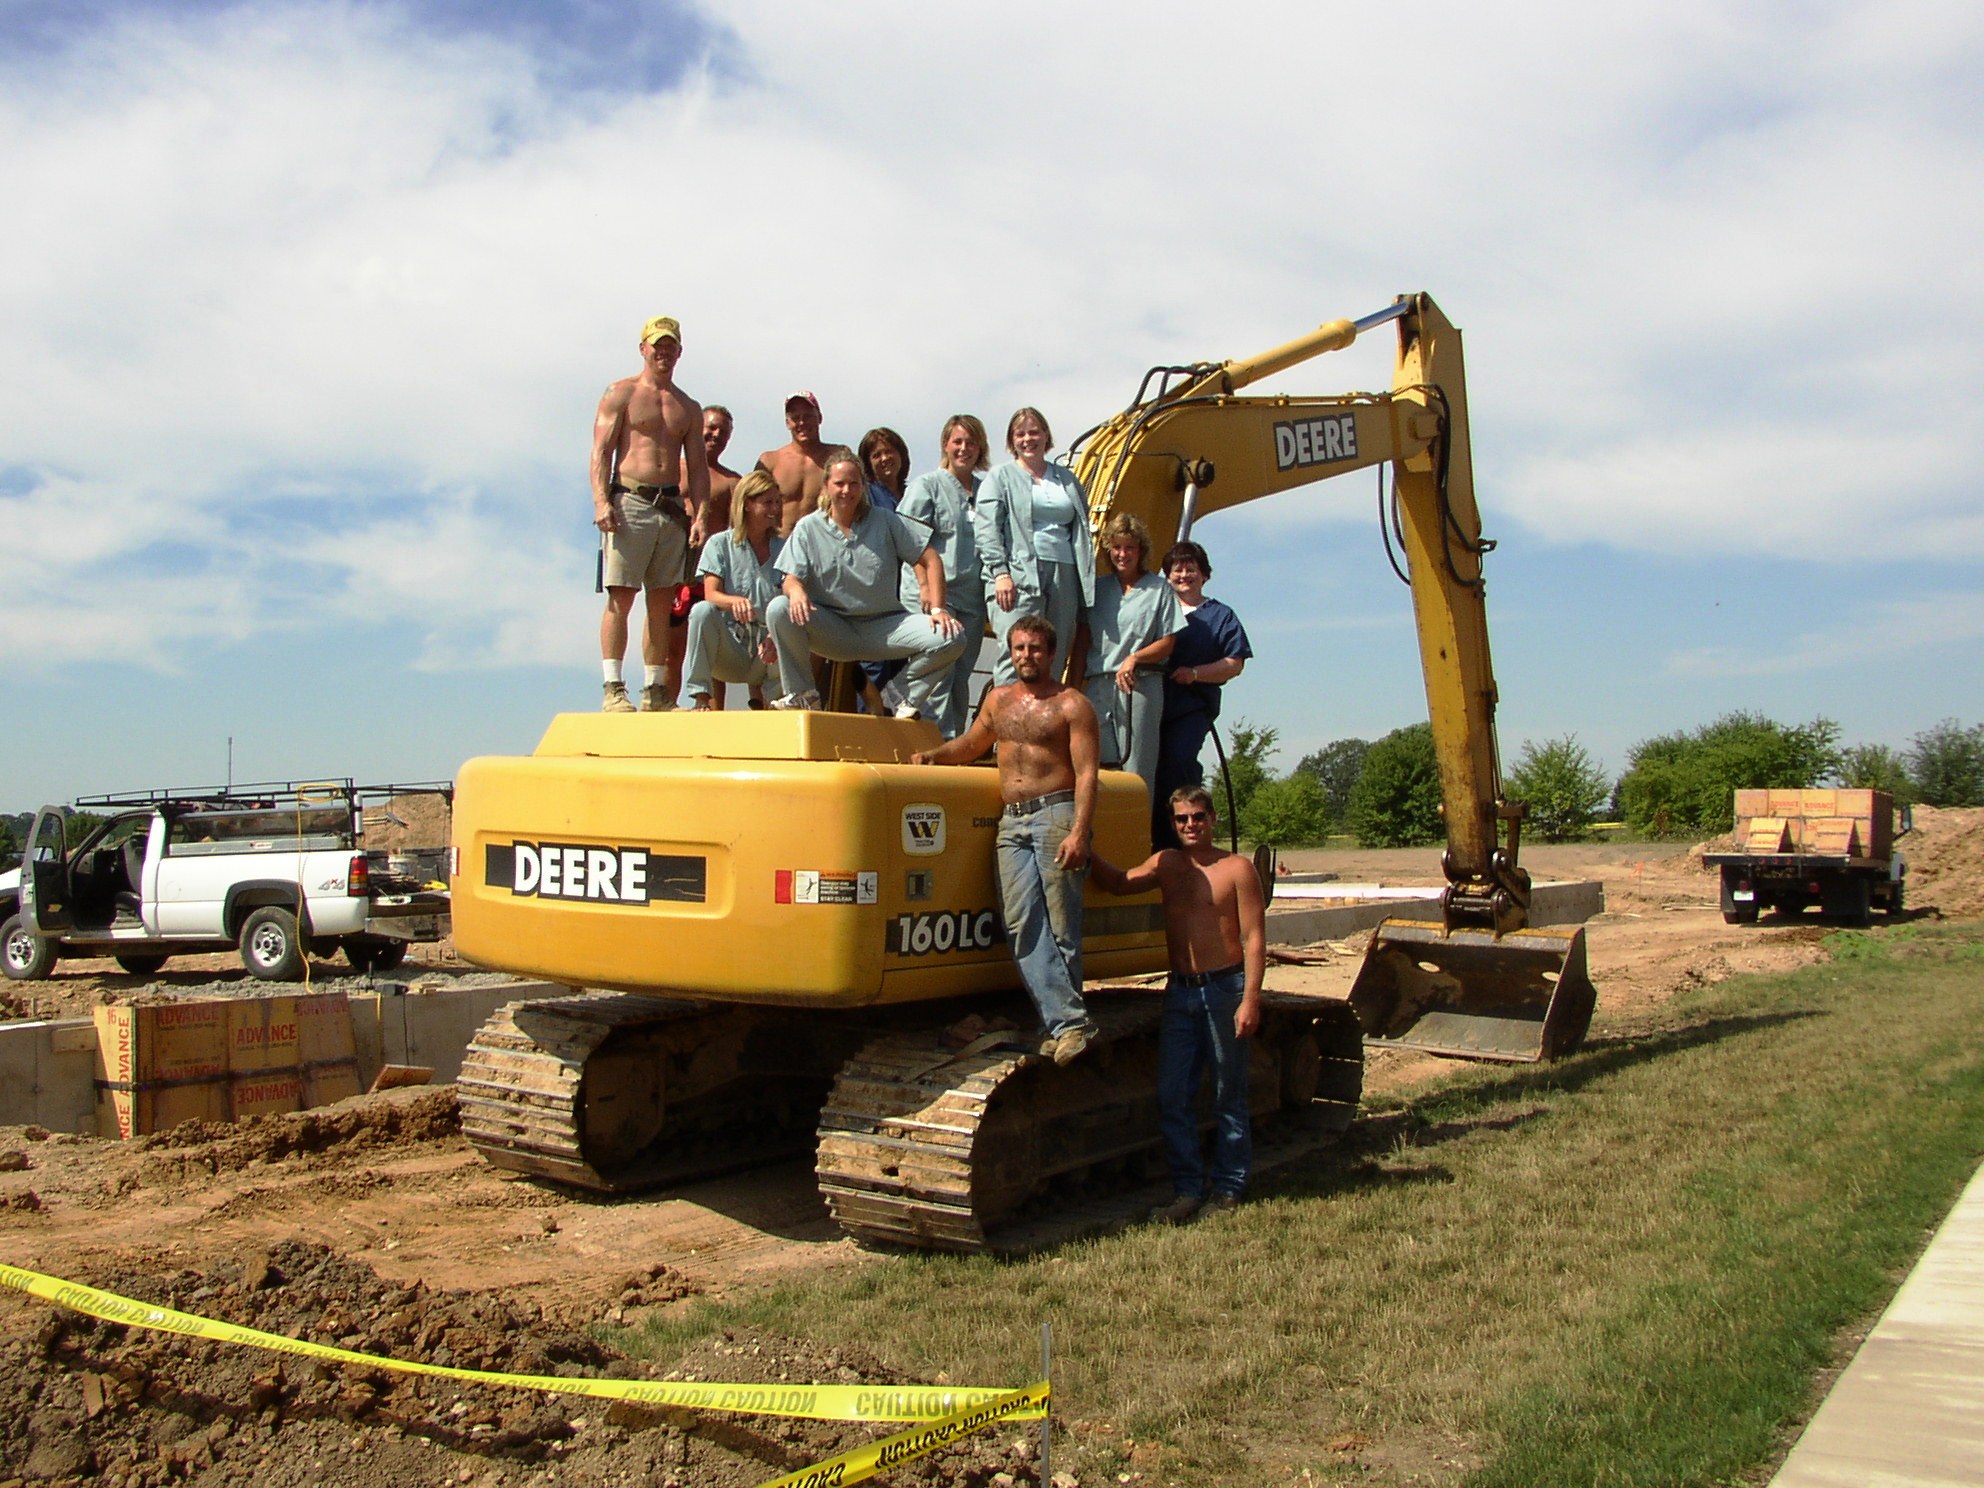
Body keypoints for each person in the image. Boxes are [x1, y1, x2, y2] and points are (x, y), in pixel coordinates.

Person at [911, 616, 1100, 1064]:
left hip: (1056, 812)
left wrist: (1078, 831)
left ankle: (1063, 1027)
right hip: (1011, 822)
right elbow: (973, 744)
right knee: (1020, 923)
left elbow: (1088, 773)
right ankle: (1069, 1023)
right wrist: (933, 757)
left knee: (1061, 926)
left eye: (1035, 648)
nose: (1026, 656)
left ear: (1051, 654)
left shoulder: (1072, 705)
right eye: (1018, 648)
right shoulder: (998, 701)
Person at [1088, 785, 1265, 1222]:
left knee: (1228, 1094)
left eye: (1198, 817)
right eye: (1182, 819)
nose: (1191, 825)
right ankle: (1188, 1190)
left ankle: (1228, 1188)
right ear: (1174, 823)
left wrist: (1250, 1001)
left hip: (1225, 989)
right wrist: (1081, 843)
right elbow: (1117, 884)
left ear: (1213, 818)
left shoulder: (1237, 869)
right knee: (1173, 1096)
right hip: (1181, 991)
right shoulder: (1166, 864)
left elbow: (1254, 938)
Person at [764, 448, 965, 716]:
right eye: (839, 483)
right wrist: (797, 590)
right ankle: (802, 695)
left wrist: (939, 609)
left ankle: (896, 698)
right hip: (832, 628)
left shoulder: (885, 520)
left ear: (863, 486)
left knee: (953, 636)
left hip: (884, 628)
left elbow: (931, 559)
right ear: (826, 486)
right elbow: (790, 578)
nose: (847, 490)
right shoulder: (808, 527)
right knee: (779, 608)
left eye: (854, 483)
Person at [592, 315, 709, 713]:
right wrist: (600, 501)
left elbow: (697, 467)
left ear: (680, 351)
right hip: (629, 502)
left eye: (670, 345)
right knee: (620, 597)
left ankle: (656, 691)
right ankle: (613, 687)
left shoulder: (688, 407)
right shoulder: (621, 393)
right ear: (643, 348)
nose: (664, 351)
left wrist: (700, 516)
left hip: (670, 509)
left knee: (661, 604)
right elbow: (601, 451)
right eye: (657, 344)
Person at [1070, 513, 1184, 819]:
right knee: (1096, 767)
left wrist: (1136, 657)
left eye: (1129, 547)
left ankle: (1136, 842)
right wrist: (1073, 691)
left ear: (1140, 550)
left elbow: (1168, 641)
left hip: (1140, 685)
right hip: (1098, 687)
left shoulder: (1158, 590)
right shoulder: (1097, 590)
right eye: (1117, 547)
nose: (1123, 554)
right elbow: (1082, 643)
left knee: (1136, 770)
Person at [973, 407, 1094, 687]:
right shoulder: (1000, 477)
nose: (1028, 439)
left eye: (1034, 432)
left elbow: (1081, 529)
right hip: (1018, 575)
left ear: (1046, 435)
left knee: (1054, 652)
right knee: (1016, 653)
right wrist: (1000, 573)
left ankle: (1044, 725)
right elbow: (987, 528)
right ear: (1011, 440)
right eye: (1020, 433)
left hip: (1064, 574)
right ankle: (1008, 726)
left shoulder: (1066, 479)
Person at [1152, 540, 1253, 848]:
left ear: (1204, 575)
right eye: (1177, 569)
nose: (1184, 575)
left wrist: (1195, 674)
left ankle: (1183, 841)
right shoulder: (1154, 609)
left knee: (1179, 763)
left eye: (1191, 569)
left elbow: (1234, 664)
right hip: (1149, 704)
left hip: (1191, 707)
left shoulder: (1220, 616)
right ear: (1167, 575)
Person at [896, 414, 991, 737]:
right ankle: (934, 744)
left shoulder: (986, 490)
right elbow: (908, 540)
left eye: (971, 442)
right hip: (935, 596)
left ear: (981, 448)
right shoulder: (928, 486)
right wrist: (925, 587)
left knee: (961, 674)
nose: (964, 448)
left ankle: (955, 741)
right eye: (958, 441)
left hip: (971, 599)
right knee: (939, 672)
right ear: (945, 445)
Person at [685, 470, 784, 710]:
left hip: (769, 650)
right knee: (702, 611)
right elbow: (711, 593)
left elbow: (790, 596)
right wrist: (733, 602)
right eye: (767, 502)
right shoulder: (719, 544)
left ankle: (777, 703)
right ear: (747, 504)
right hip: (733, 648)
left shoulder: (785, 547)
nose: (775, 508)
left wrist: (774, 635)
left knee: (790, 622)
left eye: (777, 502)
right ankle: (700, 699)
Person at [854, 427, 914, 713]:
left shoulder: (914, 492)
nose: (884, 458)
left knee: (904, 667)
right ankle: (864, 729)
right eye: (876, 454)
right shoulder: (865, 494)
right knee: (874, 665)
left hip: (910, 591)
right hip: (878, 591)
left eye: (889, 451)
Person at [757, 391, 836, 537]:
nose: (802, 422)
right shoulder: (770, 461)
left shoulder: (837, 458)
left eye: (808, 416)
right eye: (795, 418)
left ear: (819, 418)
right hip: (778, 548)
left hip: (822, 547)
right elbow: (751, 507)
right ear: (787, 423)